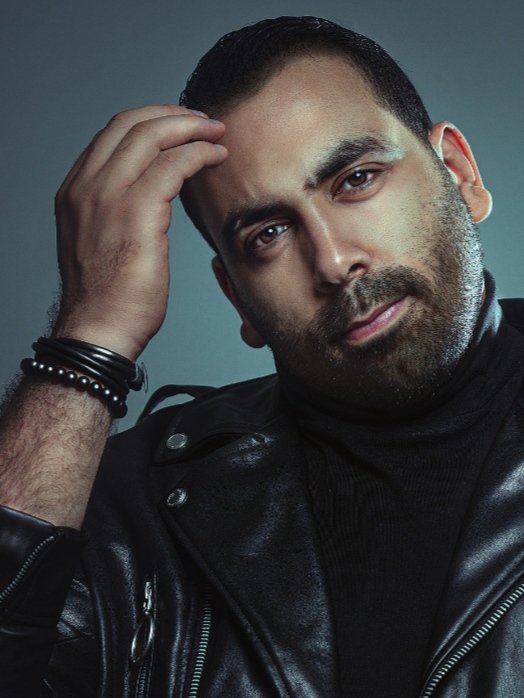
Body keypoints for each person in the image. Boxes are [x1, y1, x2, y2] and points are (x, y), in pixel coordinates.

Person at [0, 14, 523, 698]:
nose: (332, 262)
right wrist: (87, 339)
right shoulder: (134, 513)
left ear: (460, 175)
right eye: (267, 234)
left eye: (357, 179)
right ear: (236, 297)